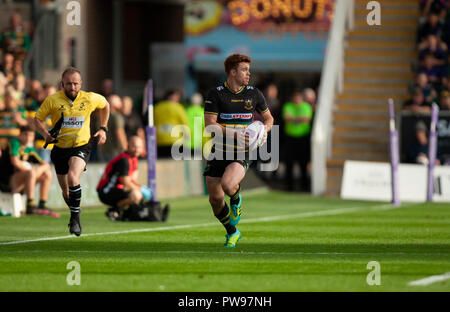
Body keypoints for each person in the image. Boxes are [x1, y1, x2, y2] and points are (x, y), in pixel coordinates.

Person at [203, 54, 274, 248]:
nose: (248, 74)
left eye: (248, 70)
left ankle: (236, 198)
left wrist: (263, 131)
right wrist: (235, 132)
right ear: (232, 72)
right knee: (215, 200)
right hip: (218, 151)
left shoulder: (254, 93)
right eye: (244, 70)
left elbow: (269, 119)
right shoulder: (216, 94)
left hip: (241, 152)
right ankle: (232, 232)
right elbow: (210, 125)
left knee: (228, 184)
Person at [33, 67, 110, 236]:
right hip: (60, 148)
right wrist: (46, 135)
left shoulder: (89, 98)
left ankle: (74, 218)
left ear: (81, 84)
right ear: (62, 84)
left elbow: (105, 105)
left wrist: (103, 128)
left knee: (73, 177)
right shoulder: (53, 100)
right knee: (66, 191)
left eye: (76, 84)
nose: (72, 87)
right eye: (69, 84)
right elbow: (37, 119)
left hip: (81, 146)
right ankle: (75, 210)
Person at [0, 125, 58, 217]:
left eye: (31, 135)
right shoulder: (14, 143)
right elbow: (15, 161)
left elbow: (46, 165)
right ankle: (30, 204)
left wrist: (36, 171)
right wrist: (32, 172)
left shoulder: (29, 150)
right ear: (20, 135)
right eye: (25, 135)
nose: (28, 138)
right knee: (31, 172)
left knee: (47, 173)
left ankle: (42, 204)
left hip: (22, 182)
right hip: (6, 182)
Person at [96, 136, 152, 219]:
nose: (136, 149)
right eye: (134, 147)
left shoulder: (134, 159)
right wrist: (141, 190)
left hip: (116, 190)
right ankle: (115, 210)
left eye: (139, 147)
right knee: (136, 195)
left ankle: (120, 213)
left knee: (136, 193)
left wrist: (139, 187)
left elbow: (131, 179)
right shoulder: (124, 160)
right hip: (106, 192)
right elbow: (125, 182)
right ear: (128, 146)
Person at [282, 89, 313, 192]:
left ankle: (304, 186)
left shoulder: (306, 106)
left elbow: (307, 119)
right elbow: (286, 119)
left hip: (303, 138)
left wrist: (293, 118)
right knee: (289, 163)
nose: (297, 100)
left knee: (303, 163)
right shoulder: (288, 106)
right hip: (290, 138)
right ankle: (288, 187)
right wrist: (300, 119)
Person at [154, 89, 189, 158]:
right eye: (177, 97)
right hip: (175, 141)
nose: (178, 99)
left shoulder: (157, 108)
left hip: (160, 141)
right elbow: (184, 124)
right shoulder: (178, 107)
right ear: (171, 97)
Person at [97, 94, 127, 161]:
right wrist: (125, 150)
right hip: (115, 152)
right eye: (119, 101)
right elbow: (120, 133)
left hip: (102, 151)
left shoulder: (101, 116)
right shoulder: (117, 116)